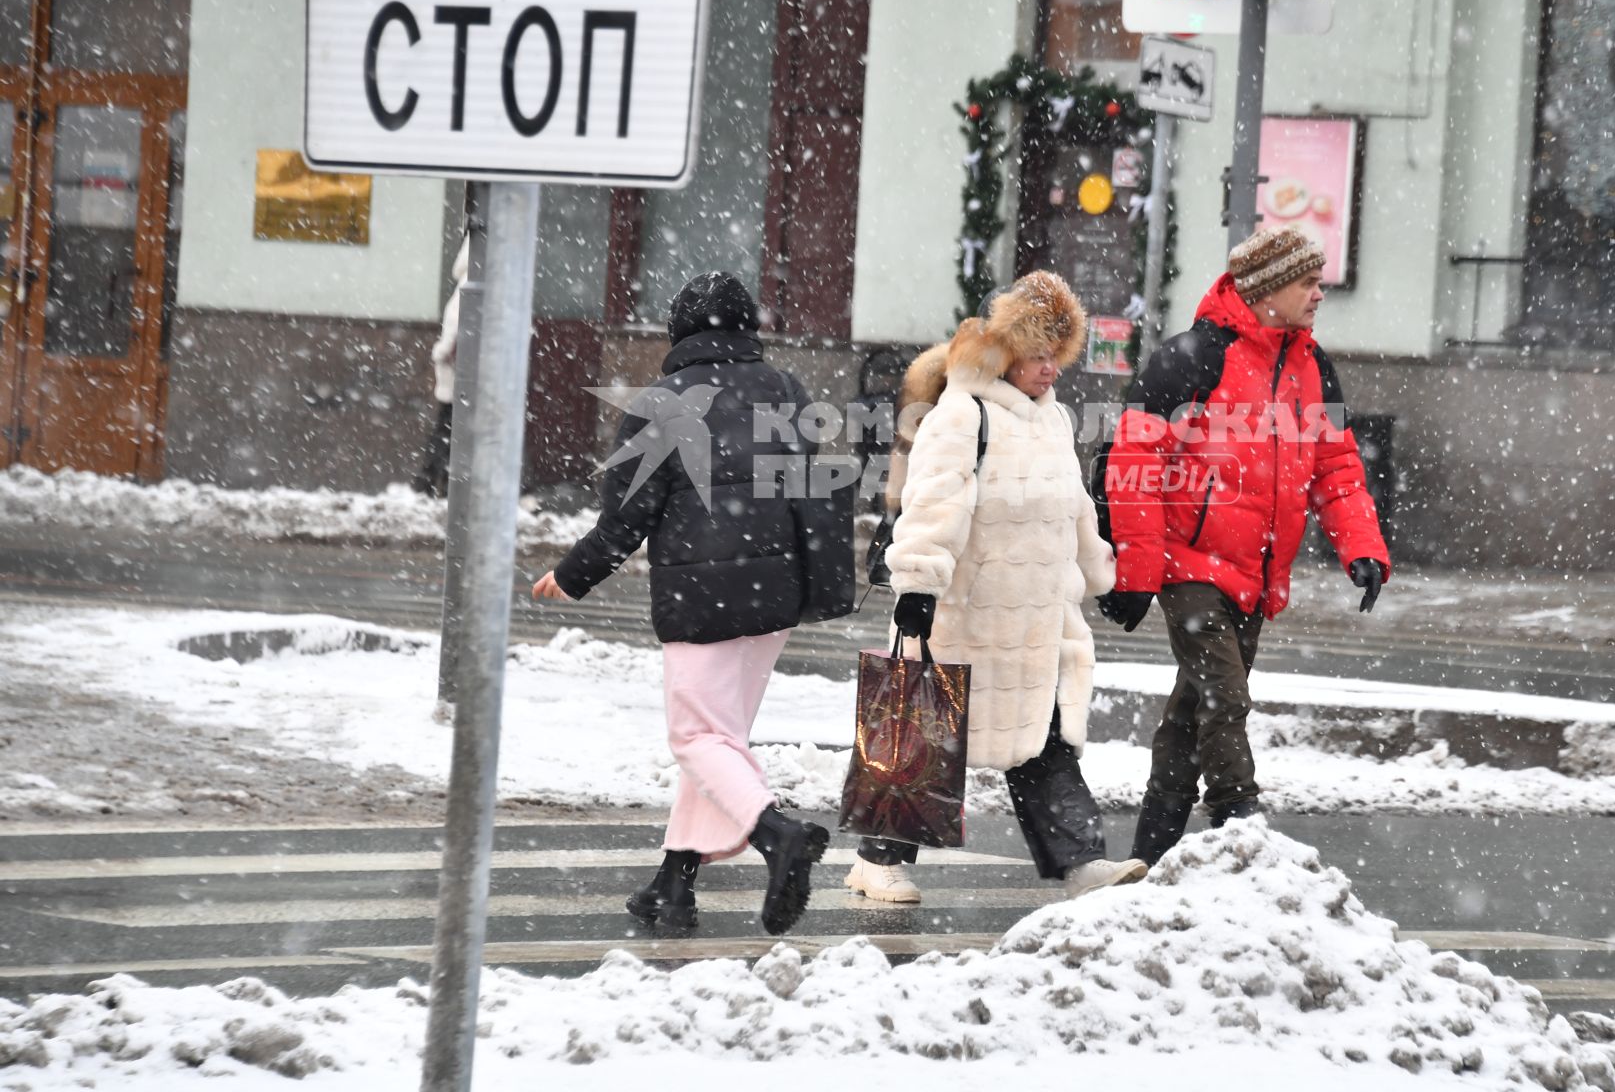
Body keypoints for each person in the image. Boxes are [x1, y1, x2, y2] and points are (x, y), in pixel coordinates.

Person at [531, 271, 830, 937]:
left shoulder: (660, 403)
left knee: (698, 739)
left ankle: (776, 834)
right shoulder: (785, 390)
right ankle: (674, 886)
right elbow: (814, 490)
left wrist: (573, 575)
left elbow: (625, 518)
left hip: (703, 599)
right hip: (774, 598)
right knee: (719, 738)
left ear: (679, 332)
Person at [846, 270, 1148, 904]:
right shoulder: (962, 415)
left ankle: (1081, 861)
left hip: (1041, 619)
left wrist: (1103, 577)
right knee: (926, 737)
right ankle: (878, 859)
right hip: (970, 615)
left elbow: (1075, 510)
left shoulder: (1054, 420)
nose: (1050, 370)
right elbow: (933, 505)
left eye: (1056, 356)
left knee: (1044, 742)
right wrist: (919, 585)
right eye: (1038, 355)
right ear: (1003, 352)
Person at [1098, 225, 1392, 866]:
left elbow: (1337, 467)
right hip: (1190, 567)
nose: (1320, 293)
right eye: (1308, 282)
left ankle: (1151, 857)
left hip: (1257, 577)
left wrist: (1361, 547)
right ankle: (1243, 821)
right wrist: (1138, 574)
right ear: (1267, 289)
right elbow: (1132, 463)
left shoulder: (1314, 367)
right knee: (1225, 697)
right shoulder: (1193, 358)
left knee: (1189, 714)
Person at [412, 239, 468, 497]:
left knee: (446, 428)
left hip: (456, 375)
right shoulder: (473, 284)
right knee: (450, 429)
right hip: (462, 375)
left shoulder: (465, 285)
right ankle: (436, 481)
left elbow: (454, 327)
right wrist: (443, 351)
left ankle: (432, 481)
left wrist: (441, 352)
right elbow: (456, 329)